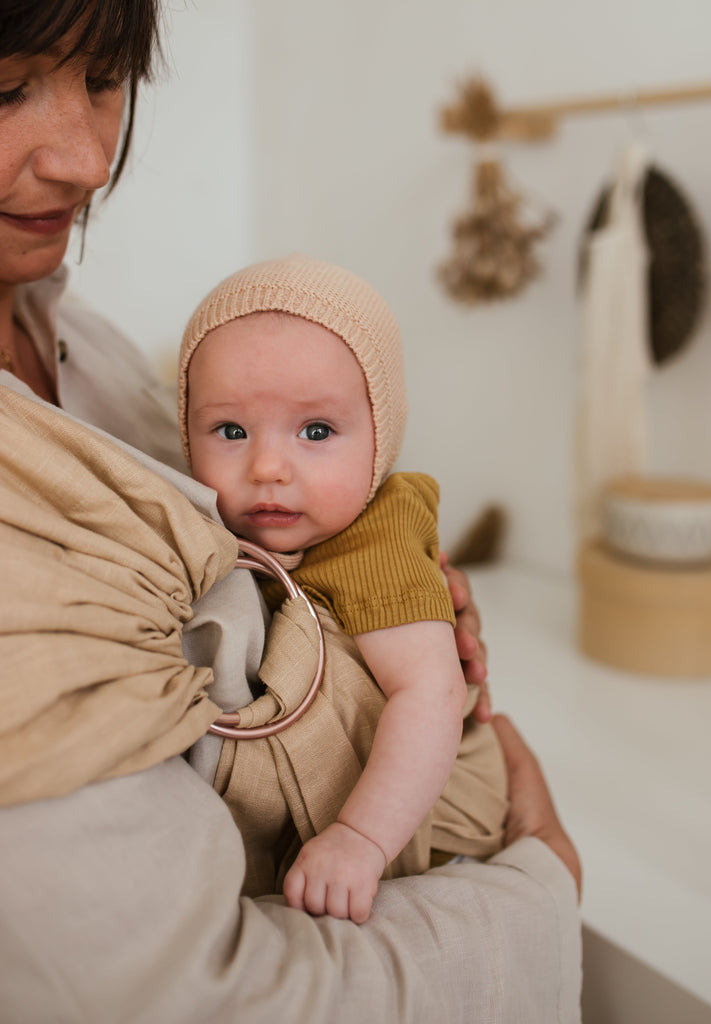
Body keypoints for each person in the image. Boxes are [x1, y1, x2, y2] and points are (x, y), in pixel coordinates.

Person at [0, 1, 582, 1020]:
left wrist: (377, 637)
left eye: (103, 80)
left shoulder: (78, 338)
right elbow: (177, 994)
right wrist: (545, 881)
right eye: (6, 89)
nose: (90, 161)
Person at [179, 255, 509, 921]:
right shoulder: (201, 521)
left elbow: (430, 694)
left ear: (379, 439)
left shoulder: (375, 536)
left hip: (424, 816)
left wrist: (359, 841)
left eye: (317, 431)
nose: (269, 467)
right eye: (231, 431)